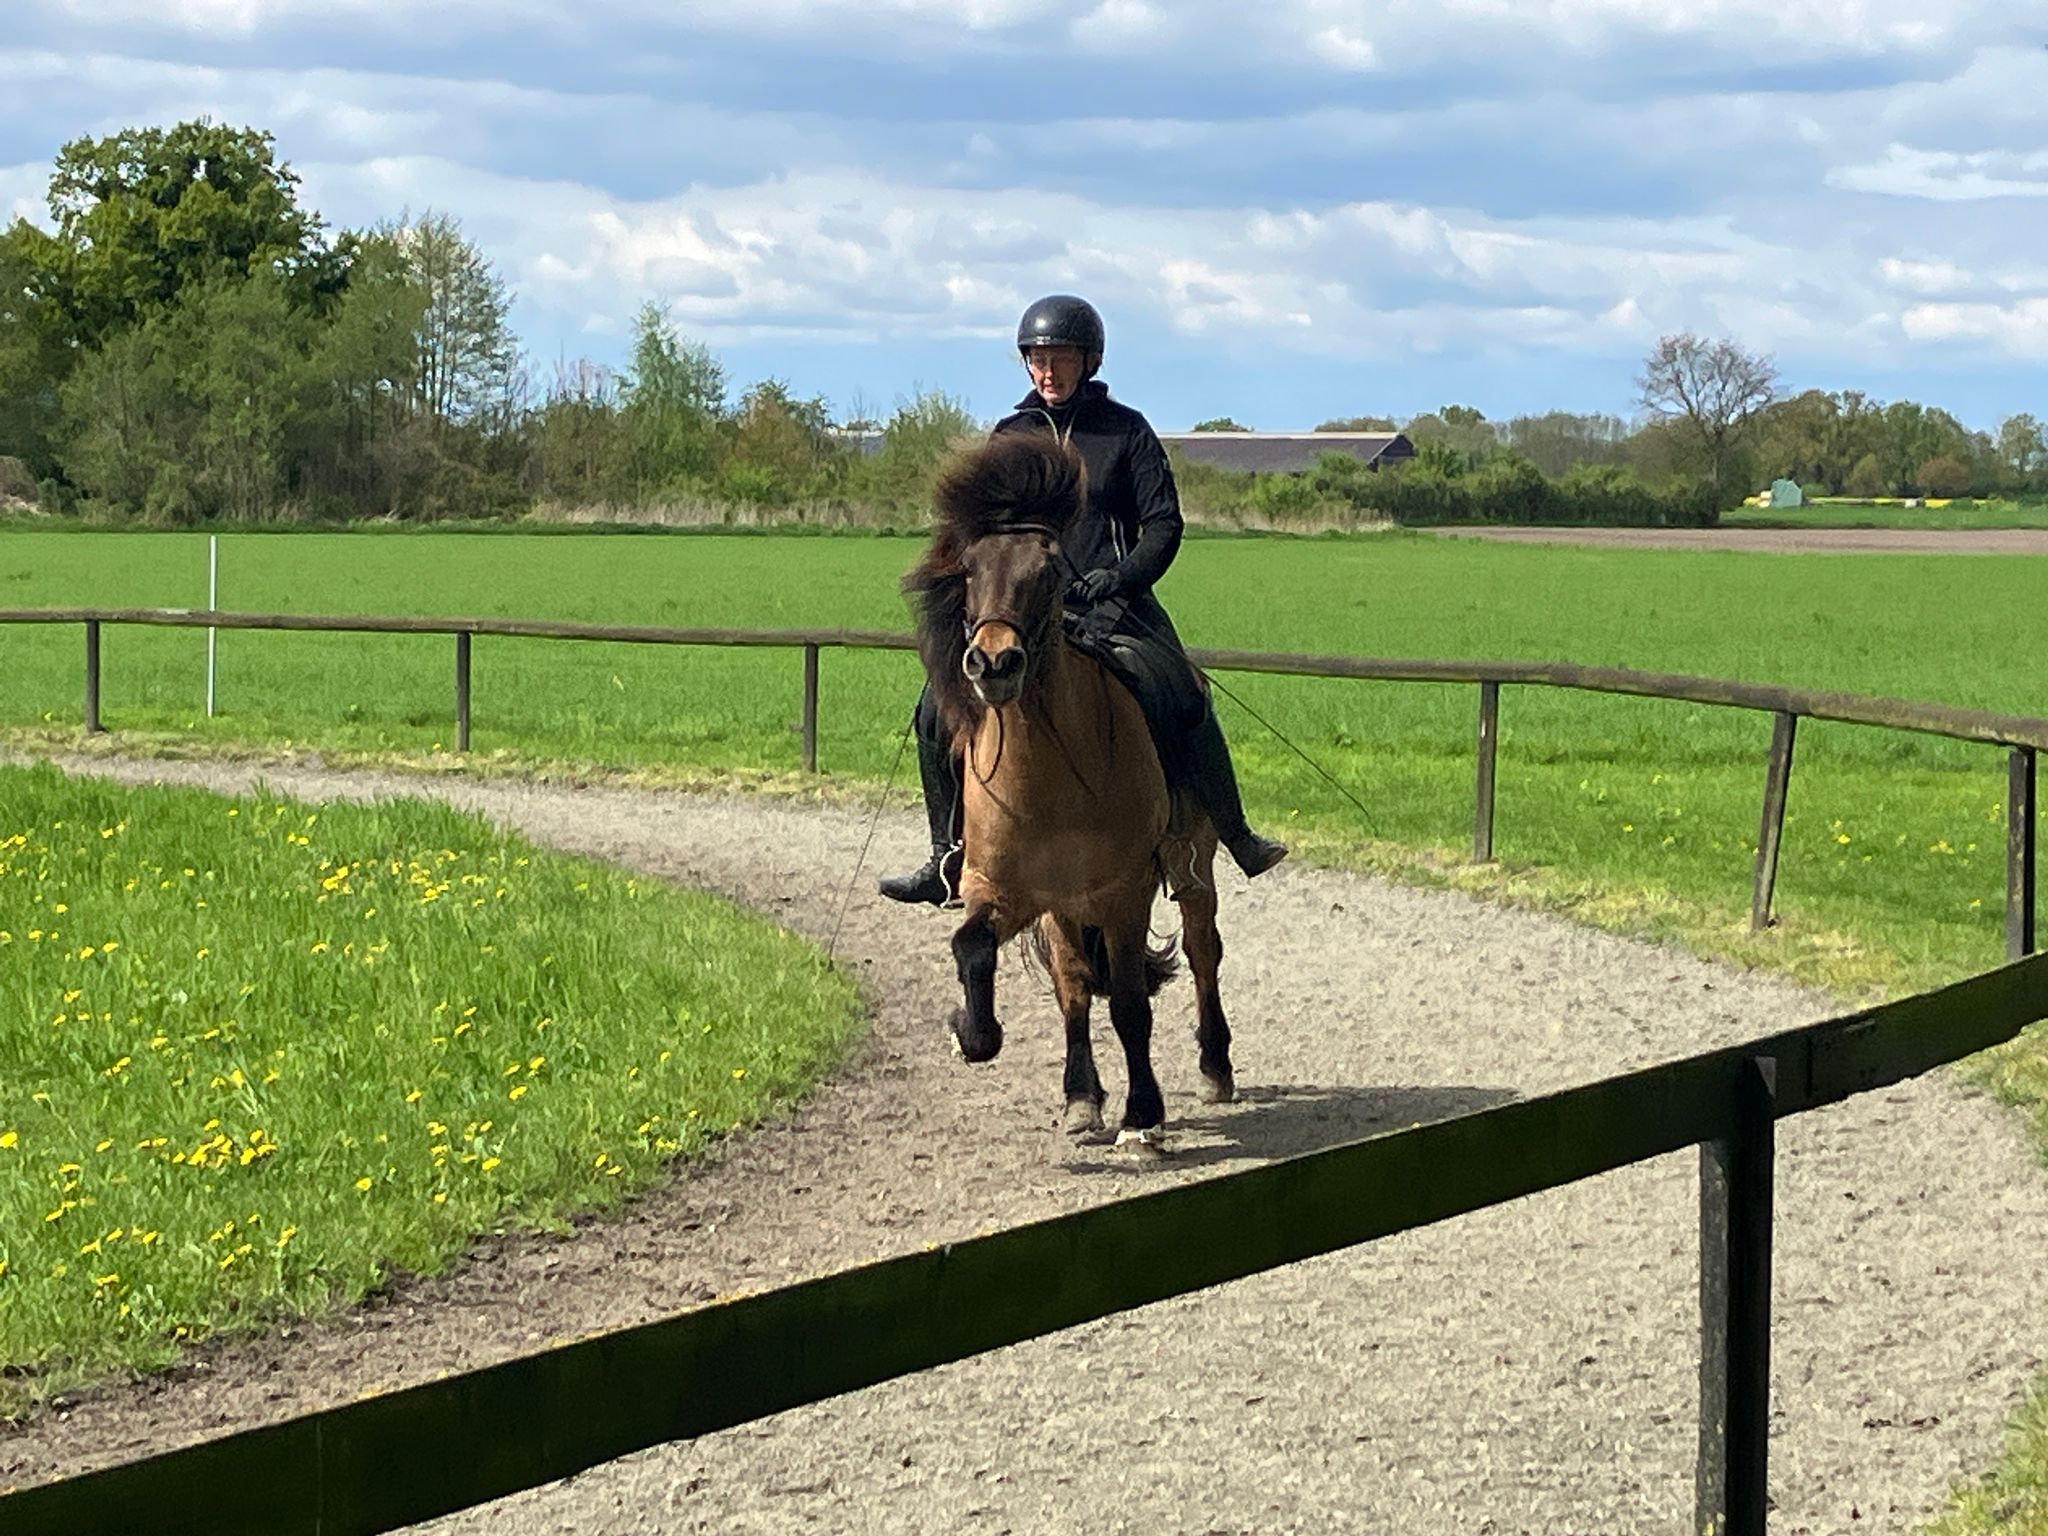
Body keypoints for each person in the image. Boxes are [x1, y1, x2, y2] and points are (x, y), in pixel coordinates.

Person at [879, 294, 1287, 907]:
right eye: (1037, 359)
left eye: (1061, 358)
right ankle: (945, 855)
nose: (1048, 371)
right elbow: (982, 532)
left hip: (1113, 606)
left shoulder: (1126, 432)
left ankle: (1232, 832)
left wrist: (1118, 578)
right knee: (935, 711)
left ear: (1089, 361)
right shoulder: (1010, 436)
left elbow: (1163, 525)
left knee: (1183, 692)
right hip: (1024, 612)